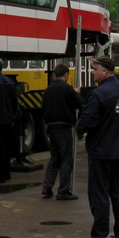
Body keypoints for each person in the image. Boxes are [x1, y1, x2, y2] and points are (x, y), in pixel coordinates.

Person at [76, 56, 119, 238]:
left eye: (94, 69)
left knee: (99, 196)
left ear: (104, 72)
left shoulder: (99, 93)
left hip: (103, 152)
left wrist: (79, 130)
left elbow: (88, 119)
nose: (92, 72)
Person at [41, 63, 82, 200]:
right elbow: (79, 104)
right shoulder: (67, 88)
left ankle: (47, 187)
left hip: (51, 127)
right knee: (66, 159)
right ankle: (63, 190)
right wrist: (76, 93)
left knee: (54, 158)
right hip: (64, 127)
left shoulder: (48, 89)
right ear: (66, 75)